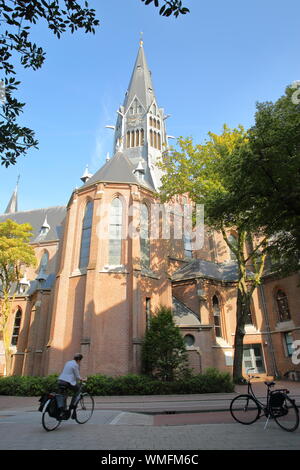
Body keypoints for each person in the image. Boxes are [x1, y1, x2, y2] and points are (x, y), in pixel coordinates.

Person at [57, 353, 84, 418]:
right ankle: (72, 406)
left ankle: (63, 410)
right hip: (67, 382)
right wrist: (83, 379)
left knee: (63, 395)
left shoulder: (68, 362)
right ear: (79, 360)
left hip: (60, 380)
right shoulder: (75, 365)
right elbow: (77, 376)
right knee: (78, 390)